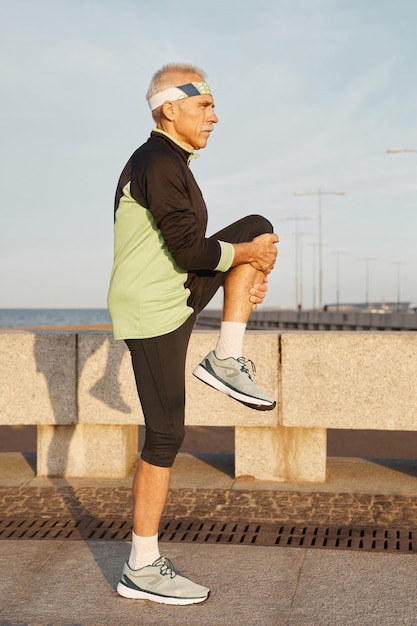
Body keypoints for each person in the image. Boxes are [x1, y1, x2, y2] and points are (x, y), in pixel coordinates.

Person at [107, 62, 278, 606]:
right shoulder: (156, 161)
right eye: (205, 106)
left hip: (176, 289)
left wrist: (246, 274)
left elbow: (197, 249)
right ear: (169, 107)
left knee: (257, 228)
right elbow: (187, 249)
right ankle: (140, 566)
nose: (215, 116)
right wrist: (242, 263)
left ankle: (226, 357)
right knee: (165, 435)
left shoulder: (173, 162)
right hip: (154, 309)